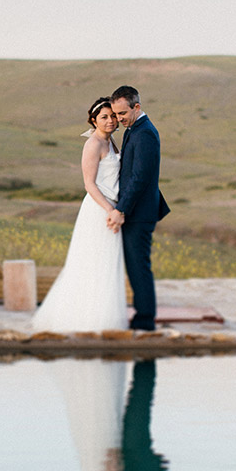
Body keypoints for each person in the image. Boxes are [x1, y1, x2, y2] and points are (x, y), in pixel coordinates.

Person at [30, 96, 129, 331]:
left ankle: (105, 317)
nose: (110, 121)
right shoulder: (93, 144)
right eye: (104, 117)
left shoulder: (112, 141)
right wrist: (111, 210)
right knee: (92, 263)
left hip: (112, 207)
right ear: (93, 120)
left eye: (113, 116)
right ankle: (87, 319)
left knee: (106, 263)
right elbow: (89, 184)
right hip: (99, 210)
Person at [106, 86, 169, 331]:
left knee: (139, 266)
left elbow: (140, 177)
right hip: (137, 210)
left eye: (123, 113)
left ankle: (145, 320)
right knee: (135, 265)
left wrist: (121, 210)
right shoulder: (134, 129)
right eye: (115, 114)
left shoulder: (145, 134)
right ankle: (142, 315)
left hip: (139, 213)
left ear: (137, 107)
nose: (119, 118)